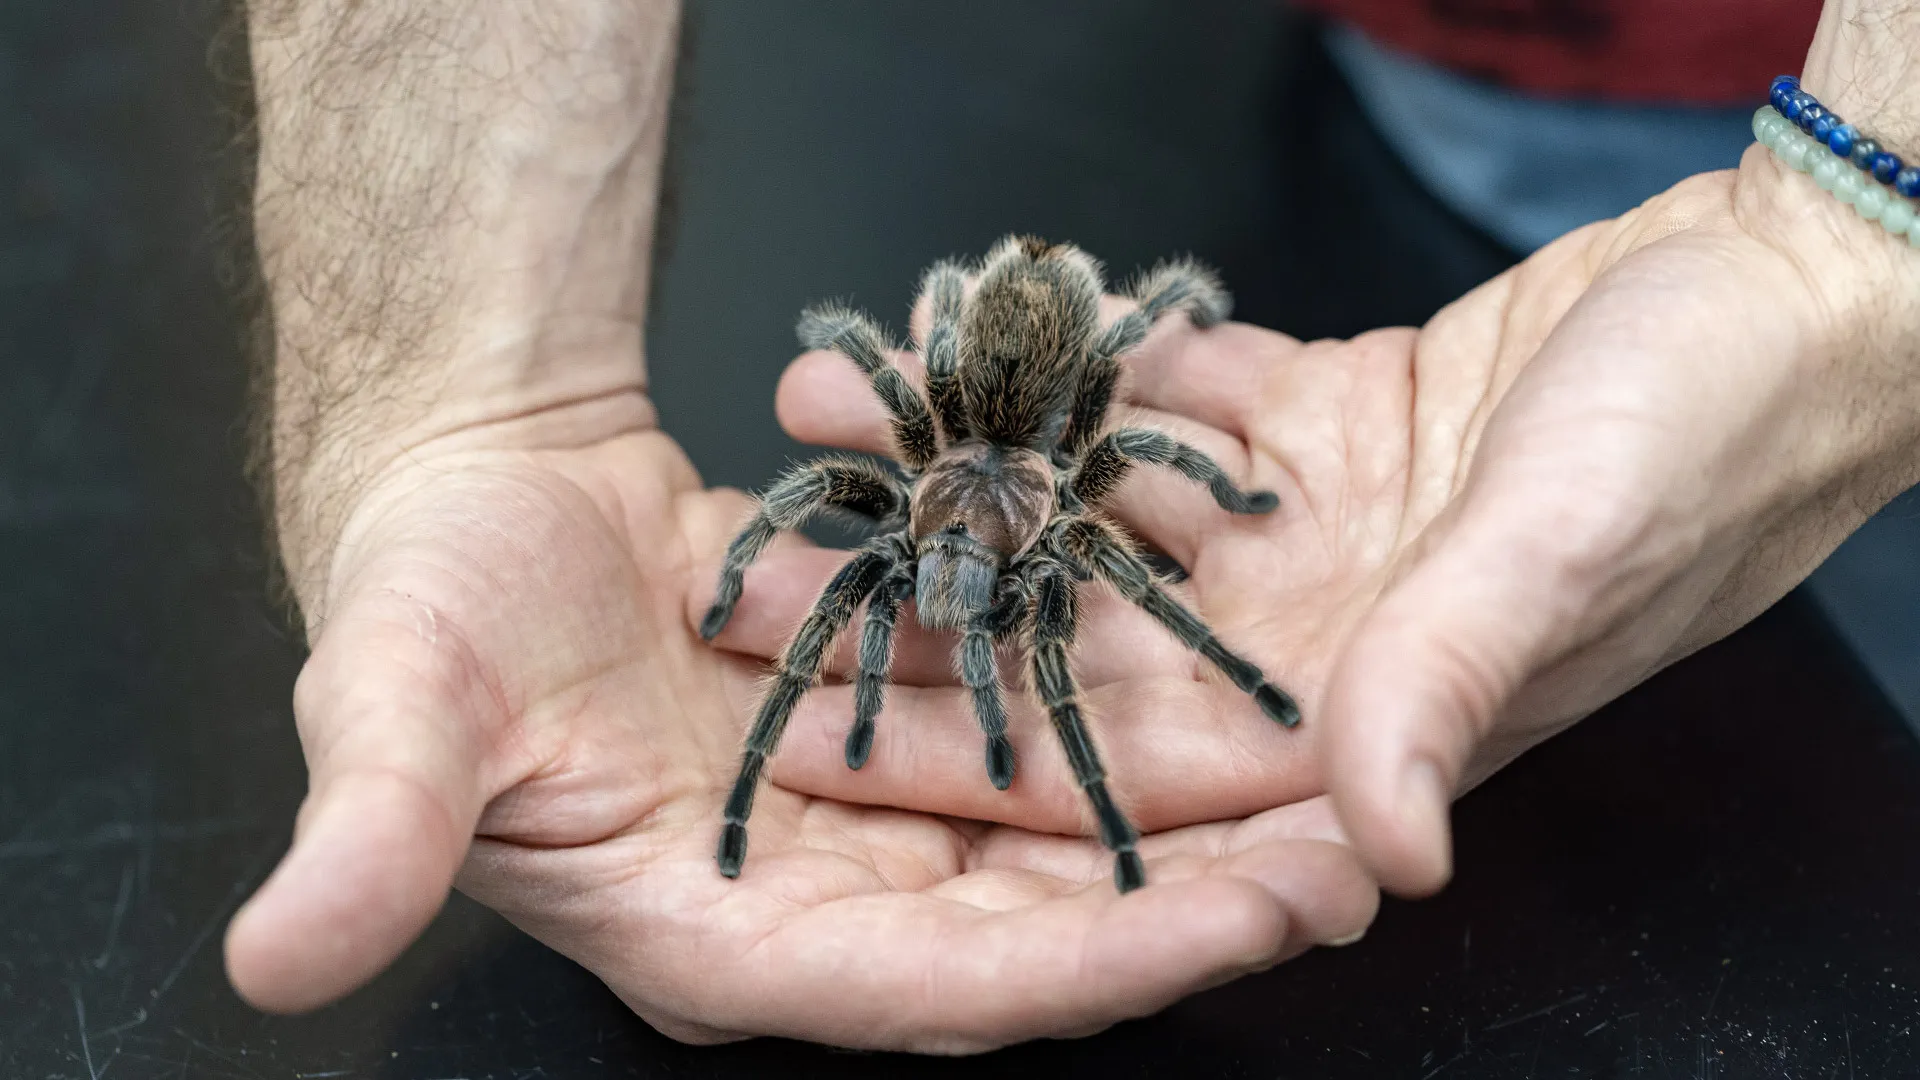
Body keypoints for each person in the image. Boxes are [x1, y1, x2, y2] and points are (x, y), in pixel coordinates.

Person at [222, 0, 1920, 1051]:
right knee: (828, 573)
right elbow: (830, 492)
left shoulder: (1074, 498)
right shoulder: (902, 490)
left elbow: (1126, 523)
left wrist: (1857, 252)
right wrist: (468, 396)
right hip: (1451, 67)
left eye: (969, 566)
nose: (959, 589)